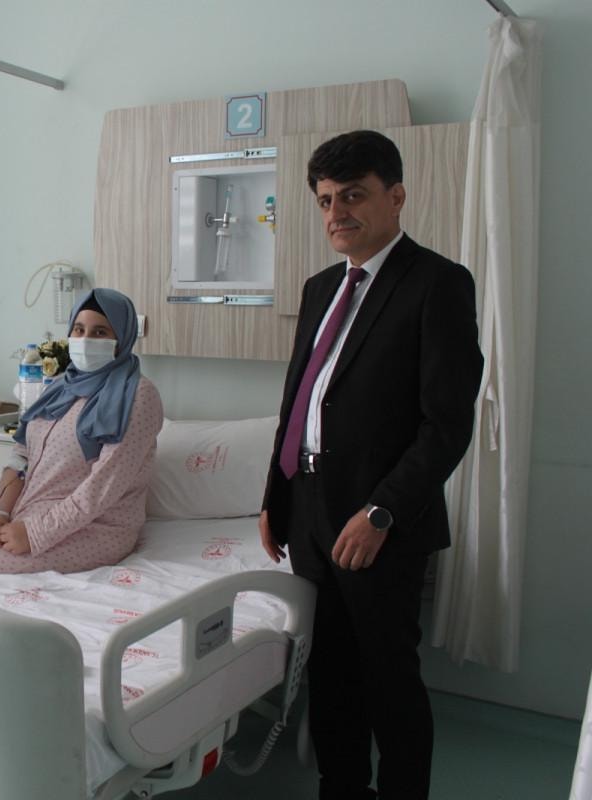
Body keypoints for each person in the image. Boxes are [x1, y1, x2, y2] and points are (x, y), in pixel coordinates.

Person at [259, 130, 483, 800]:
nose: (337, 213)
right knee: (330, 673)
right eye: (326, 200)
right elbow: (300, 400)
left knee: (389, 679)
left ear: (396, 196)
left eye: (353, 195)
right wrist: (276, 497)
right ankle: (343, 788)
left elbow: (446, 425)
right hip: (311, 509)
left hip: (379, 519)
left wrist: (382, 511)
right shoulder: (320, 287)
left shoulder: (436, 284)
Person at [0, 288, 163, 585]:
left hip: (97, 529)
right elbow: (21, 457)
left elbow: (104, 486)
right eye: (78, 329)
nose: (85, 339)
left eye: (100, 332)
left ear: (122, 338)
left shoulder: (138, 395)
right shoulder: (59, 387)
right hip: (29, 516)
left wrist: (36, 533)